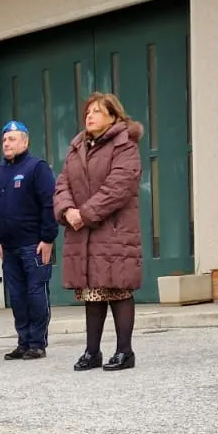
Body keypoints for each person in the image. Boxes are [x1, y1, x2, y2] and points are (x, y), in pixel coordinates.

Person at [55, 92, 145, 371]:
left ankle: (124, 352)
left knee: (118, 288)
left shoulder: (124, 145)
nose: (89, 116)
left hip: (114, 230)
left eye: (96, 111)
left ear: (113, 116)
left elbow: (119, 187)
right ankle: (92, 352)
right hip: (84, 233)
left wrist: (84, 214)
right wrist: (67, 210)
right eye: (87, 112)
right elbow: (62, 184)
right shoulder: (77, 147)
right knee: (92, 292)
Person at [0, 120, 56, 360]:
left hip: (34, 245)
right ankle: (23, 341)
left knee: (36, 293)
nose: (6, 143)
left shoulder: (37, 168)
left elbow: (49, 203)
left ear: (25, 141)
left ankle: (37, 342)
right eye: (4, 139)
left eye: (12, 139)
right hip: (9, 248)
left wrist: (47, 238)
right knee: (17, 296)